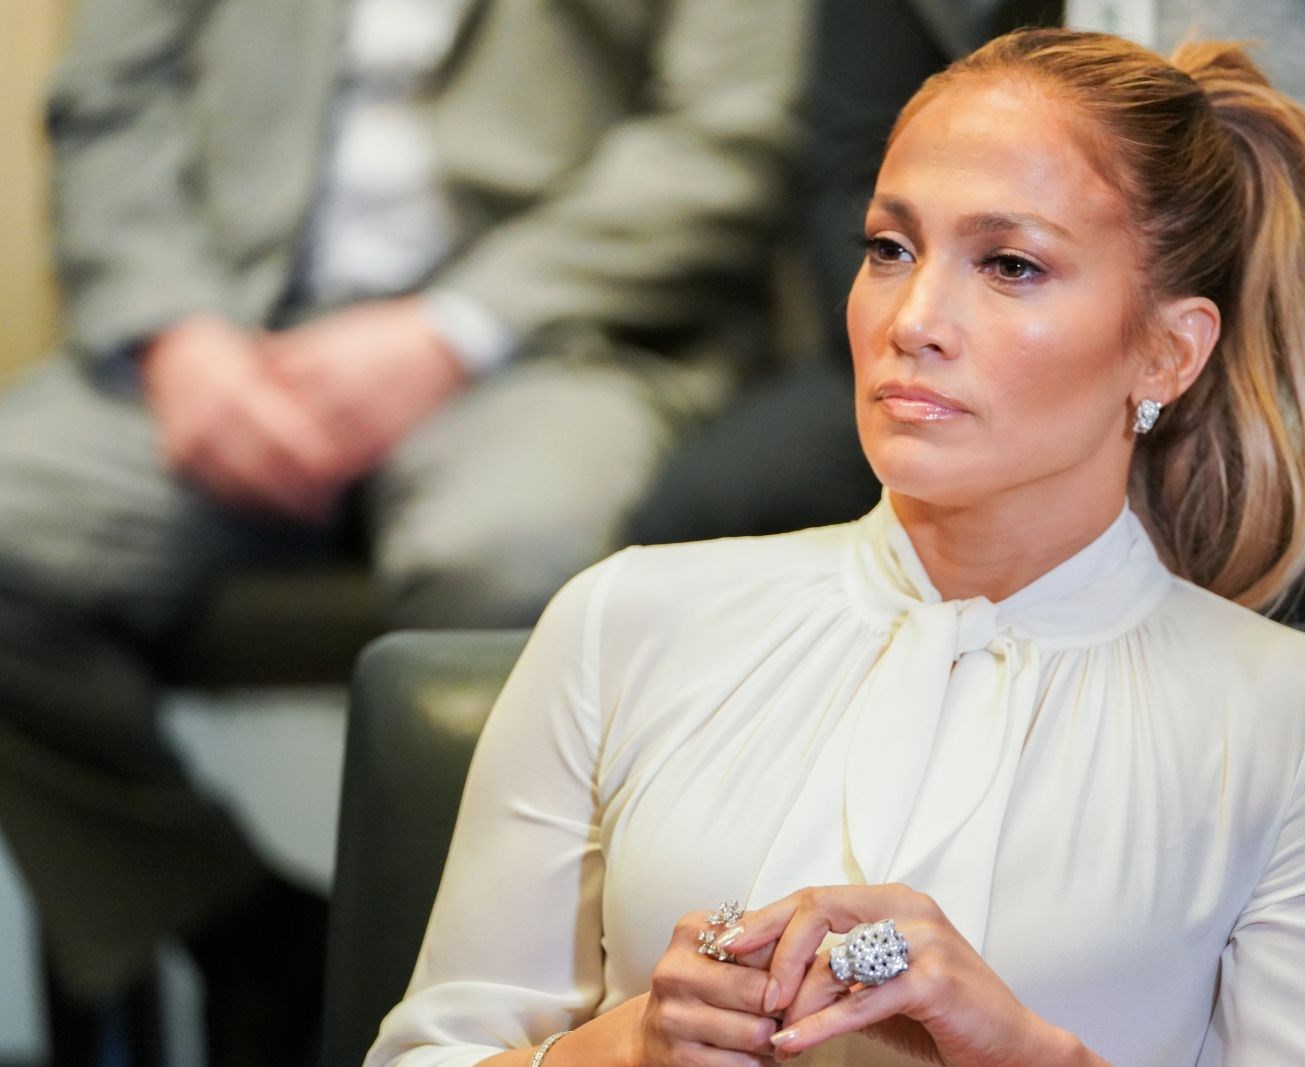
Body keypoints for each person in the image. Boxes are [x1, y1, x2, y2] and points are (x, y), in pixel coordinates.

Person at [368, 28, 1305, 1067]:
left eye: (1009, 264)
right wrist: (626, 1047)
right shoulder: (625, 621)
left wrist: (1022, 1053)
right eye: (889, 249)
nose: (913, 317)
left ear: (1167, 349)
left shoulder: (1301, 727)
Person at [0, 0, 805, 1061]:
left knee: (516, 570)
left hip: (549, 339)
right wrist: (174, 332)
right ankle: (256, 943)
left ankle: (482, 1025)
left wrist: (452, 329)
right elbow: (111, 102)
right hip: (233, 335)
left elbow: (730, 130)